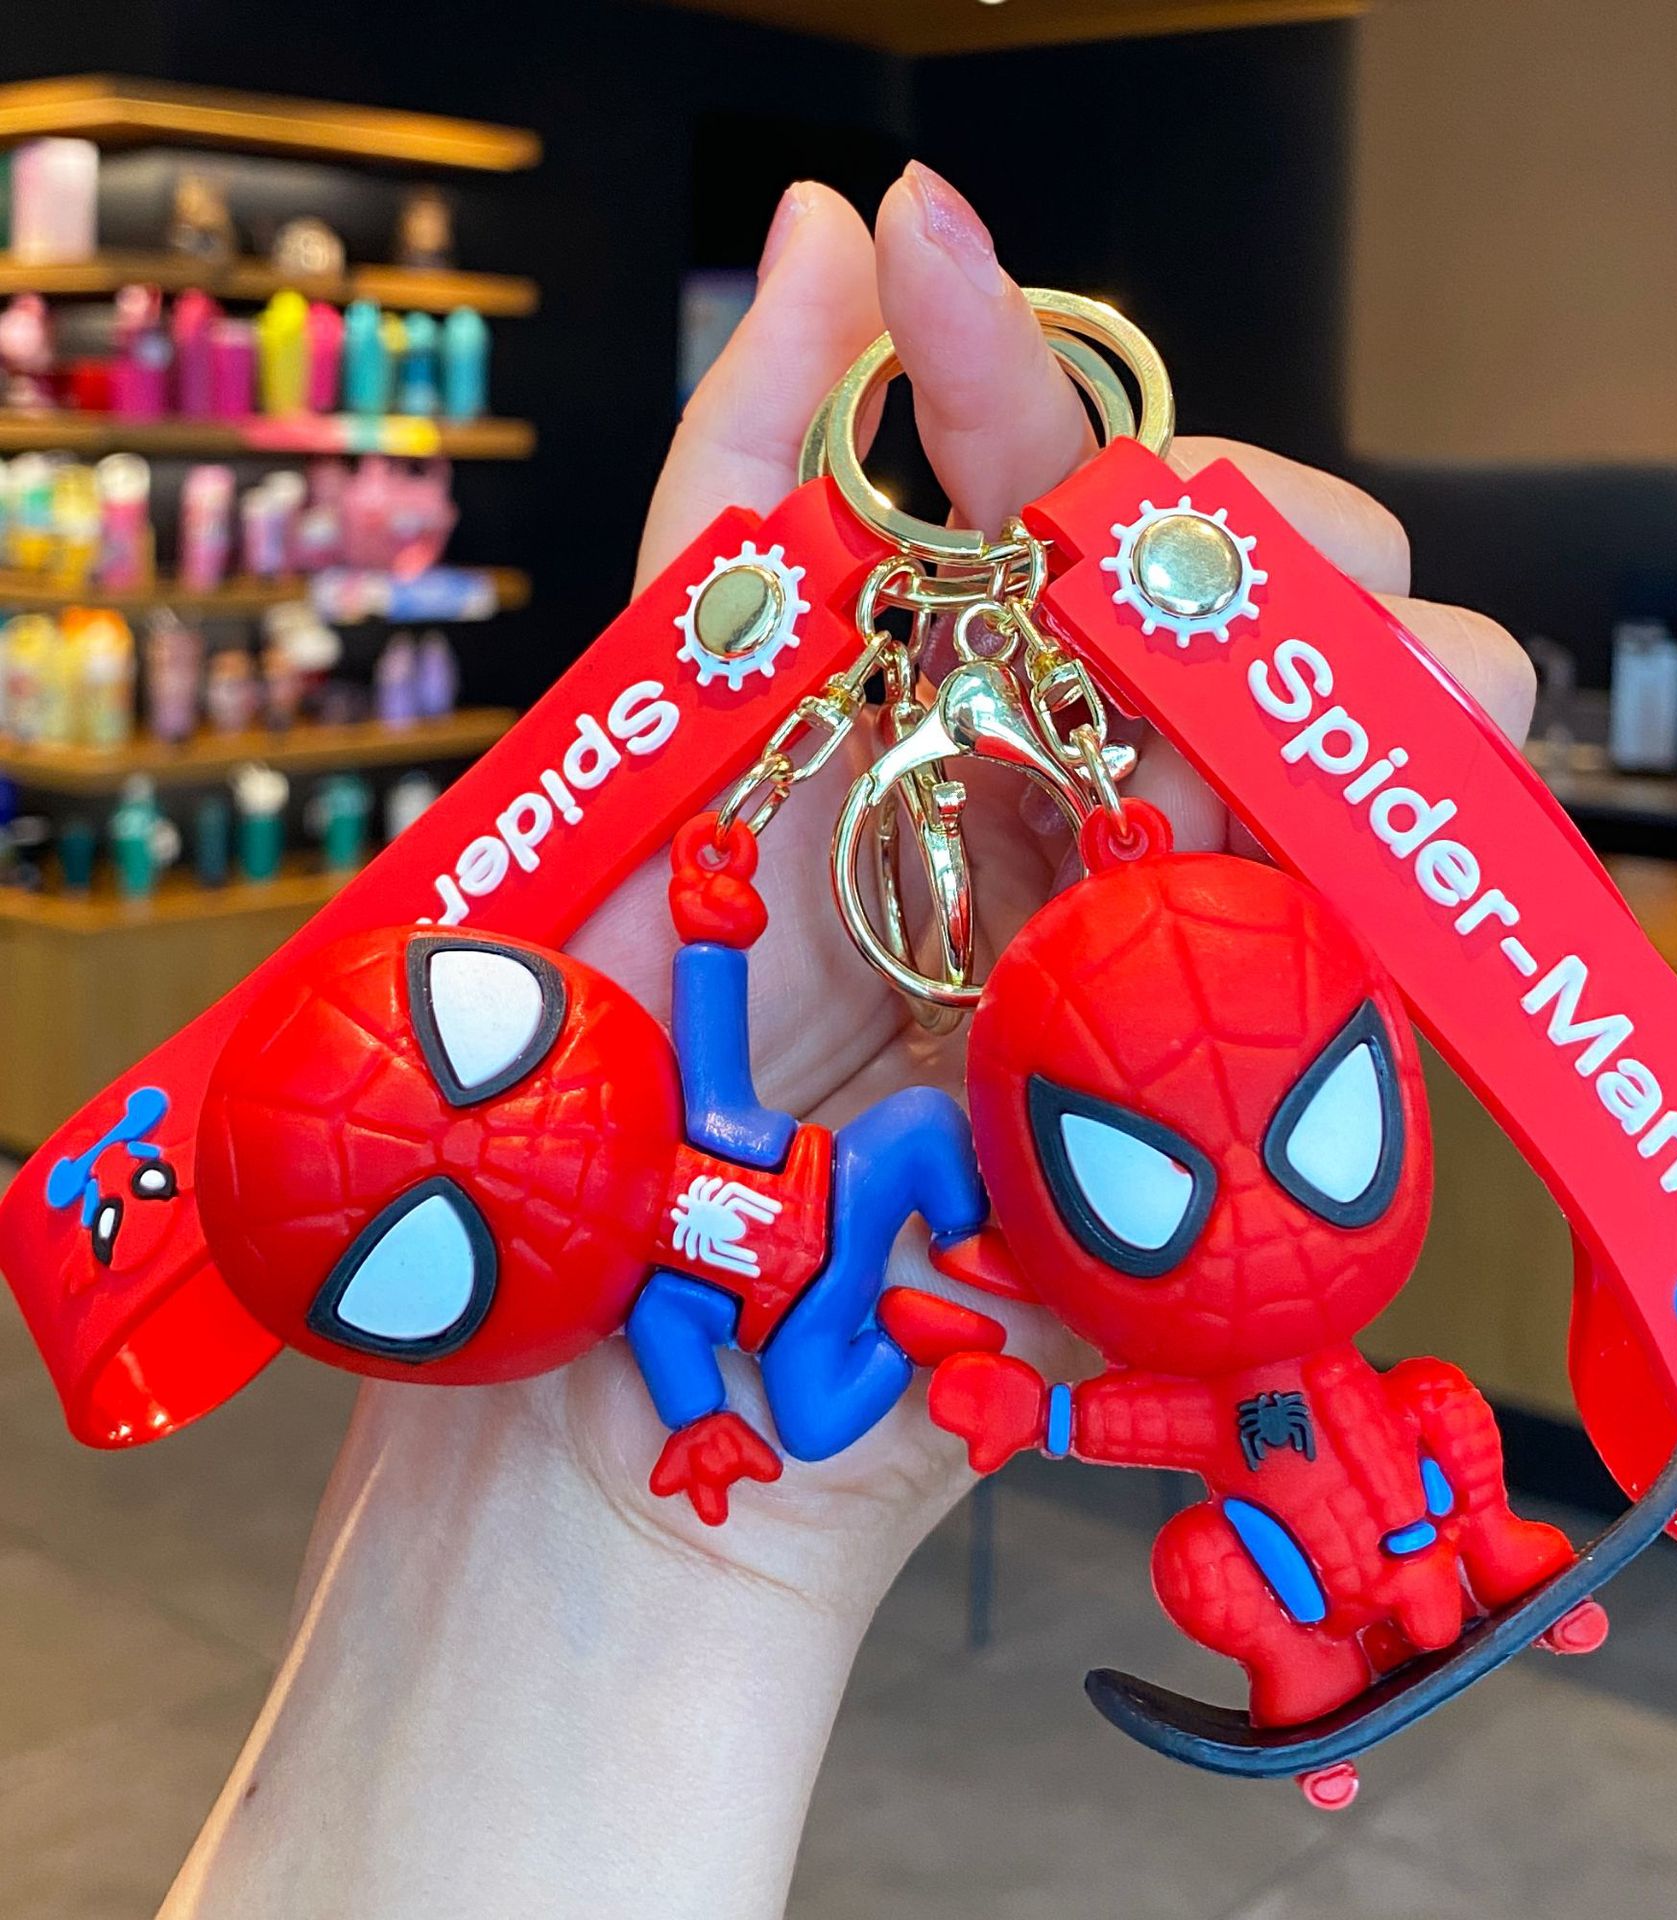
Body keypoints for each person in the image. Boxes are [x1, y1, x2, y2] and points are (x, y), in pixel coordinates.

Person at [160, 163, 1534, 1919]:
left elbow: (728, 1062)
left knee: (931, 1158)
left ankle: (1436, 1558)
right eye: (449, 1209)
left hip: (854, 1182)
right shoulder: (652, 1286)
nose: (500, 1148)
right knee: (834, 1378)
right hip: (827, 1269)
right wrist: (707, 1434)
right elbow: (705, 1346)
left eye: (479, 1072)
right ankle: (1297, 1606)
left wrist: (721, 921)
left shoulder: (725, 1122)